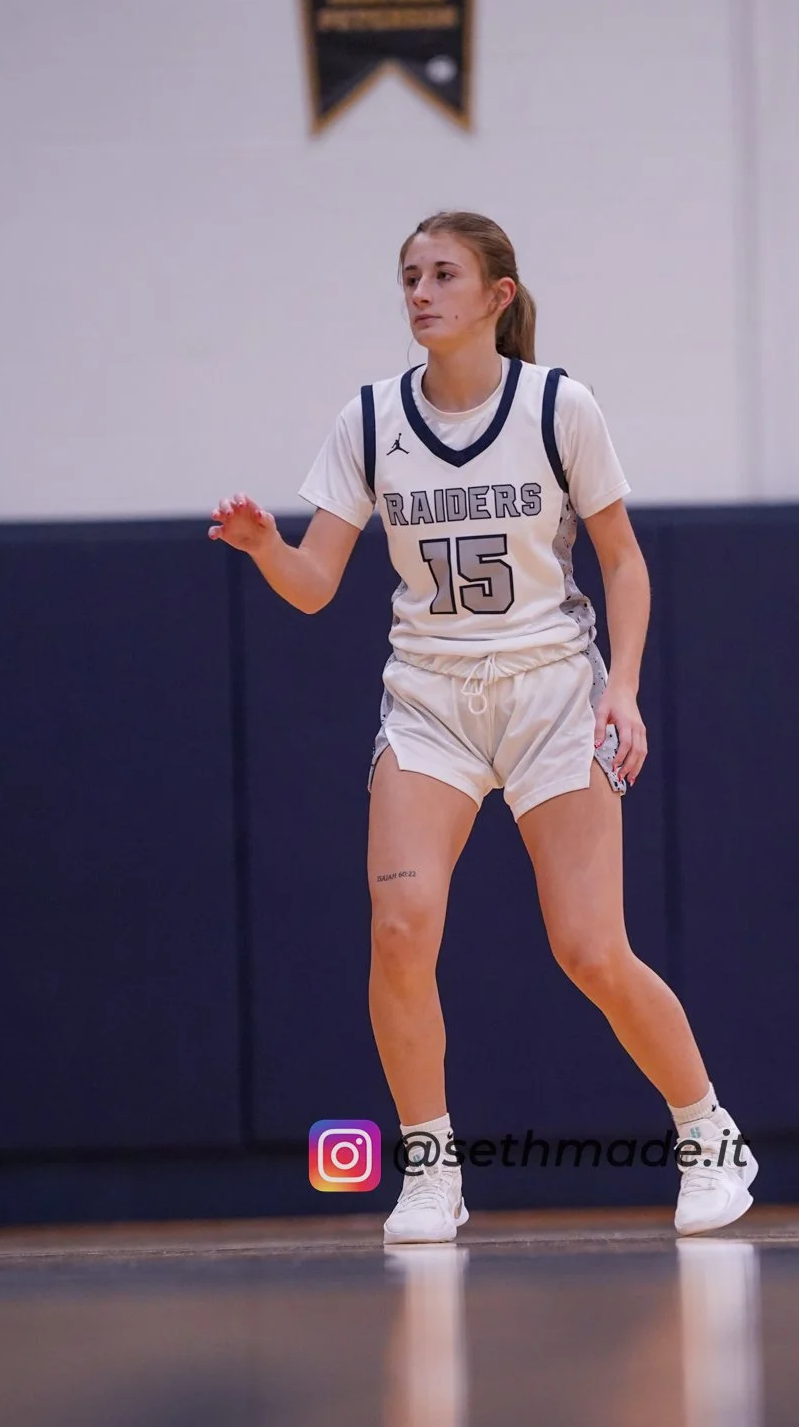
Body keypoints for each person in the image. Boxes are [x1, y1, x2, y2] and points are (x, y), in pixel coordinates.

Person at [210, 211, 756, 1242]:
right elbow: (315, 584)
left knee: (590, 948)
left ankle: (710, 1134)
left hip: (552, 691)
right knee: (399, 933)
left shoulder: (558, 406)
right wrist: (263, 546)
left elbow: (624, 560)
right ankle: (431, 1170)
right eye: (409, 276)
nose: (420, 293)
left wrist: (623, 688)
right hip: (430, 701)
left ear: (497, 296)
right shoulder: (370, 419)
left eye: (442, 275)